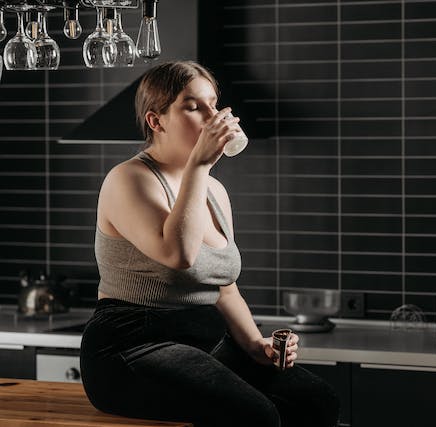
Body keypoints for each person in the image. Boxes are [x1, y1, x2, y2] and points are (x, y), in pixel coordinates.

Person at [80, 61, 339, 427]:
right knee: (256, 416)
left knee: (317, 403)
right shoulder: (128, 179)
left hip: (205, 340)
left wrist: (256, 346)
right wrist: (198, 167)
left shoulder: (214, 190)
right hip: (131, 346)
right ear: (157, 121)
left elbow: (224, 288)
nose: (212, 116)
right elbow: (178, 255)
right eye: (193, 106)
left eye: (213, 104)